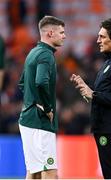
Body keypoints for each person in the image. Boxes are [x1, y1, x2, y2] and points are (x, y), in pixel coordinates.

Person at [70, 18, 111, 179]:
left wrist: (93, 94)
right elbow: (104, 94)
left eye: (102, 37)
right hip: (104, 127)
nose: (98, 40)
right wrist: (87, 91)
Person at [18, 16, 66, 179]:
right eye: (61, 32)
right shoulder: (46, 55)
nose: (64, 36)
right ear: (50, 33)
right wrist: (46, 107)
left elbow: (22, 84)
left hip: (27, 119)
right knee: (50, 172)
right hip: (40, 122)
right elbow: (40, 82)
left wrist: (31, 103)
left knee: (34, 173)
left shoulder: (33, 53)